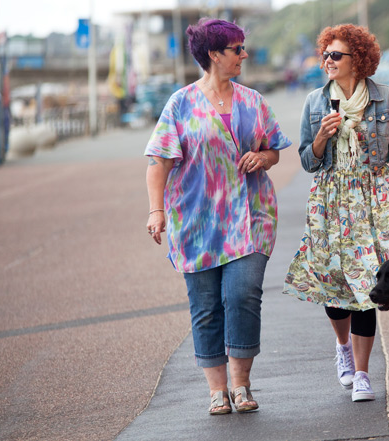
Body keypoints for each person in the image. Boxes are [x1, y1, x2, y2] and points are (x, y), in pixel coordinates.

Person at [144, 18, 291, 415]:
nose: (244, 55)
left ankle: (241, 385)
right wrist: (157, 210)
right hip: (196, 223)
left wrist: (263, 157)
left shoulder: (253, 101)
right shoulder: (180, 103)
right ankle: (217, 390)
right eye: (237, 49)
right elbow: (158, 163)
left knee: (243, 295)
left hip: (250, 217)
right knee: (206, 306)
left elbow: (274, 147)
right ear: (214, 54)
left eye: (244, 48)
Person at [283, 24, 389, 402]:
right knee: (334, 283)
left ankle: (362, 374)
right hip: (330, 200)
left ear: (357, 59)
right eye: (325, 54)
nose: (328, 61)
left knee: (367, 288)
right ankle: (342, 348)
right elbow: (307, 162)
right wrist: (321, 138)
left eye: (336, 55)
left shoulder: (386, 99)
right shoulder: (315, 102)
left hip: (375, 200)